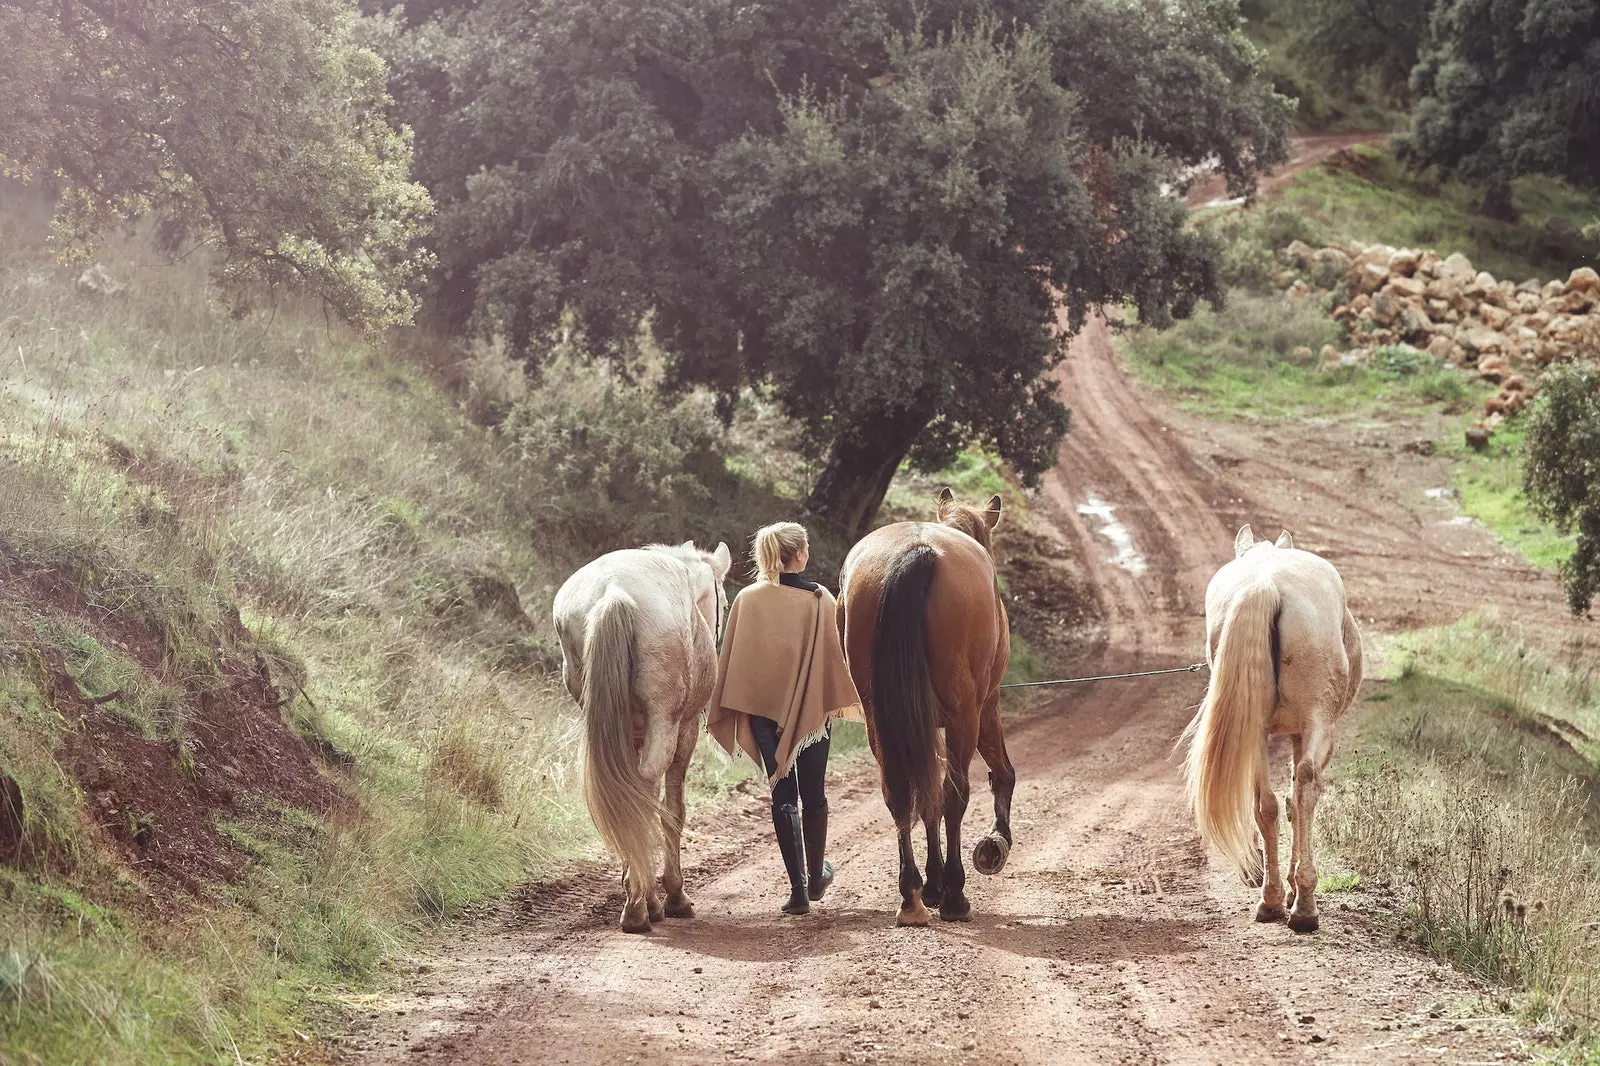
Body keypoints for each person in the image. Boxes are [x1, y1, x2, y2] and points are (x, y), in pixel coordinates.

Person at [708, 522, 863, 915]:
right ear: (801, 555)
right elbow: (835, 662)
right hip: (812, 718)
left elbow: (737, 665)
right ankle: (815, 878)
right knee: (814, 795)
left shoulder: (746, 599)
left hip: (762, 715)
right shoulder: (820, 599)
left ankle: (798, 893)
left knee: (782, 794)